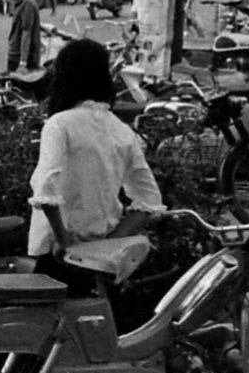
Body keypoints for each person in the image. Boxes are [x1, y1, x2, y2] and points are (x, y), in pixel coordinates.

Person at [27, 37, 163, 272]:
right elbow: (150, 199)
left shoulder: (59, 125)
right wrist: (112, 243)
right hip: (102, 259)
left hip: (59, 255)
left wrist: (64, 240)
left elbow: (46, 189)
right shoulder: (121, 130)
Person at [3, 0, 43, 71]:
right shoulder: (19, 3)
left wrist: (22, 63)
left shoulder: (28, 4)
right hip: (14, 55)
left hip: (21, 59)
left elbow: (26, 33)